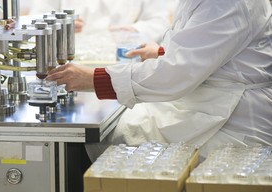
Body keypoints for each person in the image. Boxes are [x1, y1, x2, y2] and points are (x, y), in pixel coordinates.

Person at [46, 0, 272, 158]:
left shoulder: (225, 3)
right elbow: (212, 45)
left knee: (110, 135)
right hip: (208, 101)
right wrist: (164, 52)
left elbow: (175, 75)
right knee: (125, 122)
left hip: (232, 121)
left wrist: (93, 79)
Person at [29, 0, 170, 43]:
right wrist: (58, 26)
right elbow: (36, 19)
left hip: (123, 63)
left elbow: (160, 23)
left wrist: (137, 30)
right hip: (69, 62)